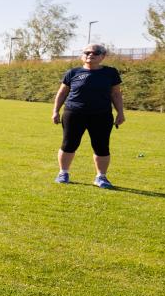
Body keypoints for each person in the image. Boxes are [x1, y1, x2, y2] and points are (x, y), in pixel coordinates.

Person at [51, 44, 125, 188]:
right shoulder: (72, 73)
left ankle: (101, 177)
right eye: (87, 52)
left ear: (102, 56)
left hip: (101, 115)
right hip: (74, 113)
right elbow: (62, 93)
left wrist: (120, 113)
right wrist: (55, 111)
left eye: (96, 52)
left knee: (101, 146)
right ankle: (63, 173)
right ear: (82, 56)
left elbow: (116, 94)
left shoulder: (110, 73)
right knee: (69, 144)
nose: (91, 55)